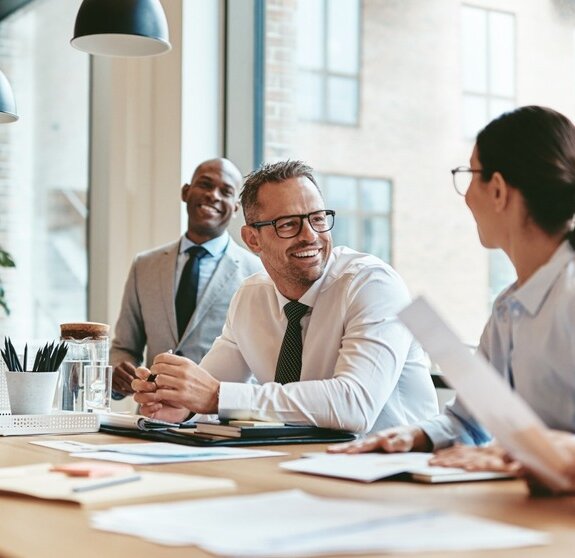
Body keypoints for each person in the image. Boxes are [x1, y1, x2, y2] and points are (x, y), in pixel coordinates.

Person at [329, 106, 575, 473]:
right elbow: (470, 421)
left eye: (470, 174)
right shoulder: (510, 307)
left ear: (497, 190)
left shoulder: (568, 297)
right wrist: (414, 436)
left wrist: (523, 453)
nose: (466, 197)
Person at [131, 160, 438, 432]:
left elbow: (354, 405)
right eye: (289, 224)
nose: (310, 236)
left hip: (394, 474)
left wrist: (215, 397)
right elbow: (208, 388)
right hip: (301, 466)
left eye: (317, 218)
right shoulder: (251, 298)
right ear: (253, 239)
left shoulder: (373, 285)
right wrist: (181, 404)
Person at [110, 158, 263, 398]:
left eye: (226, 192)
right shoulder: (145, 265)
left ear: (235, 208)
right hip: (152, 415)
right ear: (185, 192)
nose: (213, 195)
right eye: (205, 184)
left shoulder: (257, 272)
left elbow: (261, 362)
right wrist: (117, 372)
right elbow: (124, 348)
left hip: (217, 422)